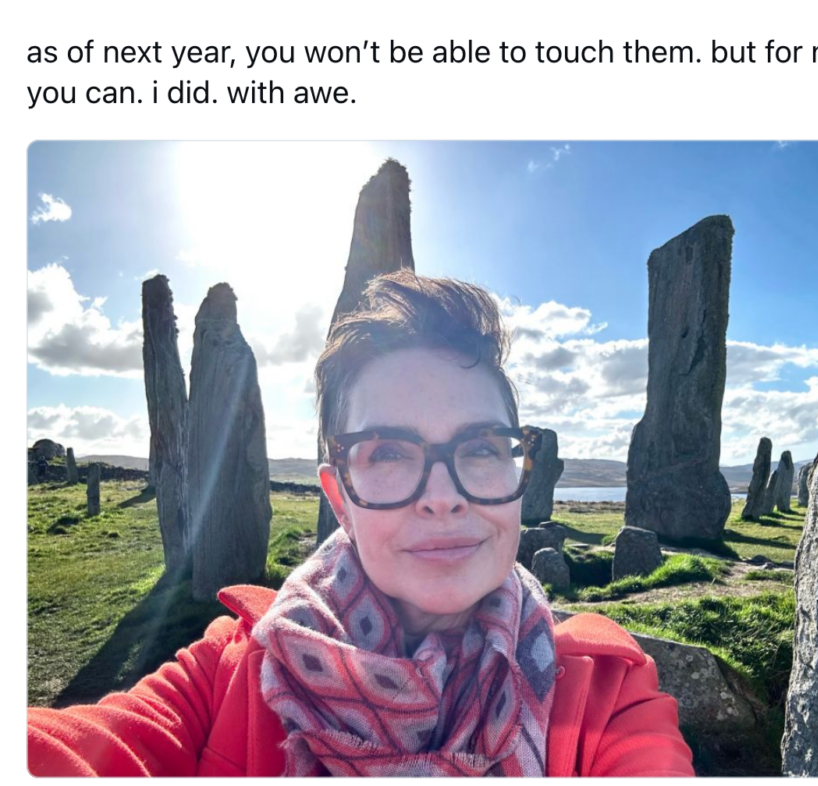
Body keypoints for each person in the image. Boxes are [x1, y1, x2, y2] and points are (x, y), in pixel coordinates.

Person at [28, 272, 694, 776]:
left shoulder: (607, 695)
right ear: (338, 496)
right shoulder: (226, 673)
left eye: (481, 448)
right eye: (388, 453)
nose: (442, 498)